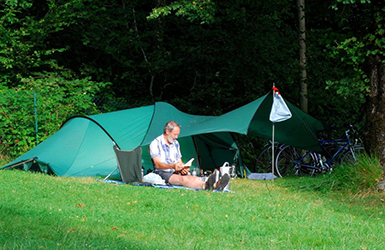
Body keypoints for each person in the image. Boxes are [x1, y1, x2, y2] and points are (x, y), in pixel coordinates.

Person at [149, 120, 229, 191]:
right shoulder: (155, 143)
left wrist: (183, 167)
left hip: (175, 170)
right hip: (162, 173)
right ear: (167, 131)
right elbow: (158, 165)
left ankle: (214, 186)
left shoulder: (175, 143)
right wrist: (173, 166)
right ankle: (206, 186)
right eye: (175, 134)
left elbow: (179, 161)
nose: (176, 137)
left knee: (193, 178)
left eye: (177, 135)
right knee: (182, 180)